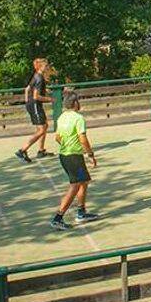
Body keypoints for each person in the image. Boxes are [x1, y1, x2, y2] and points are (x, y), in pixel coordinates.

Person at [50, 92, 99, 231]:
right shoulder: (79, 118)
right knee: (75, 185)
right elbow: (83, 139)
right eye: (78, 100)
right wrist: (90, 154)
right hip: (74, 157)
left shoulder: (61, 117)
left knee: (84, 181)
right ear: (75, 103)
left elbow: (57, 138)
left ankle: (81, 212)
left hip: (65, 156)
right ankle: (58, 217)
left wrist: (68, 145)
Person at [16, 57, 53, 163]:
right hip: (35, 105)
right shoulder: (39, 78)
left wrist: (27, 102)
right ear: (41, 67)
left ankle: (41, 151)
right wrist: (50, 99)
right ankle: (22, 150)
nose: (47, 67)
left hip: (33, 105)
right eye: (46, 66)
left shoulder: (36, 76)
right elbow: (36, 96)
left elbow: (27, 89)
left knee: (44, 126)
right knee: (41, 129)